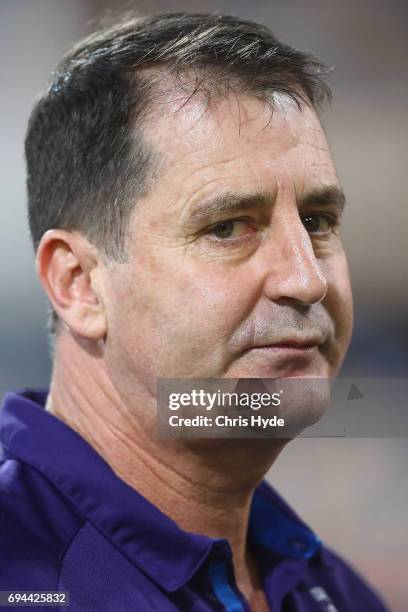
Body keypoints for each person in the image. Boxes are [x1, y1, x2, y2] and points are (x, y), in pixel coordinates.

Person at [0, 12, 388, 612]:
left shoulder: (335, 591)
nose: (306, 279)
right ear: (78, 284)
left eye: (317, 222)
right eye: (228, 227)